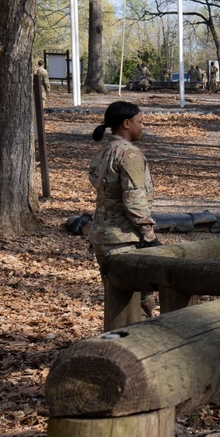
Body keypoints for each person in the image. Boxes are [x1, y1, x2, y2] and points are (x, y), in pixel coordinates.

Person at [87, 101, 161, 317]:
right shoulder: (129, 155)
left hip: (101, 237)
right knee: (140, 303)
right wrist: (150, 237)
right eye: (140, 122)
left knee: (116, 298)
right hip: (125, 240)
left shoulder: (102, 153)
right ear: (127, 123)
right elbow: (134, 202)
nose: (143, 126)